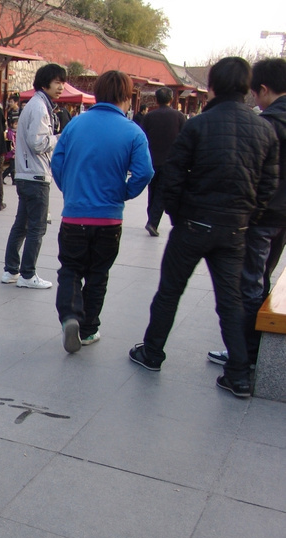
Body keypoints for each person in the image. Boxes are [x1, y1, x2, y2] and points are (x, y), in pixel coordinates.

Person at [129, 57, 278, 399]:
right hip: (235, 230)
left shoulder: (198, 125)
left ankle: (152, 353)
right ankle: (238, 375)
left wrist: (180, 218)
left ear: (212, 87)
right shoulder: (264, 129)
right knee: (231, 301)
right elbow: (267, 186)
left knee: (169, 291)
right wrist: (246, 218)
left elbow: (173, 177)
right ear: (248, 89)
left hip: (193, 225)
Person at [51, 70, 153, 353]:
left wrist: (71, 191)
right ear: (126, 97)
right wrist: (123, 193)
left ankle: (70, 315)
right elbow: (145, 172)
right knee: (98, 273)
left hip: (74, 215)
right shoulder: (133, 132)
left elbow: (57, 163)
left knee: (70, 269)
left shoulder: (75, 125)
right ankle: (88, 329)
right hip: (109, 218)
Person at [207, 57, 286, 370]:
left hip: (262, 217)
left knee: (248, 284)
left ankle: (246, 354)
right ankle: (250, 349)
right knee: (262, 278)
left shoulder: (267, 125)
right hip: (282, 218)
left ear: (263, 89)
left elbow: (252, 175)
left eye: (255, 93)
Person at [1, 63, 67, 289]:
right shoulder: (39, 107)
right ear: (45, 82)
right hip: (35, 175)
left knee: (22, 224)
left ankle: (11, 270)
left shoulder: (37, 104)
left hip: (26, 174)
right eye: (57, 82)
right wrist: (59, 137)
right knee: (37, 227)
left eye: (62, 82)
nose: (61, 87)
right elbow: (38, 143)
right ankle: (27, 274)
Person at [142, 86, 187, 236]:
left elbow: (143, 138)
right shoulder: (179, 117)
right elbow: (184, 139)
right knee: (162, 192)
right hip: (170, 161)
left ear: (156, 99)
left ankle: (151, 219)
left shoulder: (149, 117)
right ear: (171, 99)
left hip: (152, 160)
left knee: (152, 191)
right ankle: (153, 222)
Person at [2, 117, 17, 184]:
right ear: (11, 124)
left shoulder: (14, 132)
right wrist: (14, 152)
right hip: (12, 152)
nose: (17, 126)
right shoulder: (11, 133)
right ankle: (14, 180)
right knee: (12, 167)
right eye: (15, 124)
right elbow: (12, 143)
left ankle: (2, 177)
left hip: (14, 151)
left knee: (12, 167)